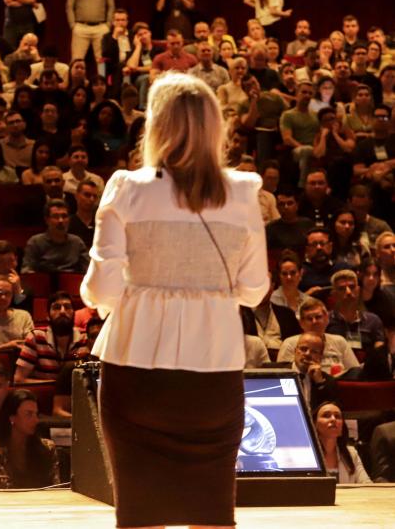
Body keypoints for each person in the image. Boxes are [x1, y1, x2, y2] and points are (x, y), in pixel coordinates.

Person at [82, 72, 269, 528]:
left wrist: (133, 295)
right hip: (214, 367)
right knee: (211, 510)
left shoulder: (128, 187)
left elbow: (100, 290)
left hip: (135, 364)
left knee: (140, 511)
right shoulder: (242, 192)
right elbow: (254, 288)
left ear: (157, 125)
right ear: (215, 127)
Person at [0, 389, 59, 489]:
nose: (36, 420)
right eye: (29, 414)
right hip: (10, 503)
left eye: (36, 414)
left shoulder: (47, 447)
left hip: (45, 502)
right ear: (12, 418)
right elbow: (3, 489)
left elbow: (56, 486)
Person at [16, 291, 91, 383]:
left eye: (67, 307)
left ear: (74, 314)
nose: (62, 311)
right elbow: (19, 379)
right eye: (56, 308)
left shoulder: (85, 337)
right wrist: (55, 386)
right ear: (47, 315)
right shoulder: (36, 337)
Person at [276, 298, 360, 377]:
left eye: (318, 317)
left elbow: (355, 372)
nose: (314, 322)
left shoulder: (339, 341)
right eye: (309, 318)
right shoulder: (290, 344)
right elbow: (282, 375)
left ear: (327, 319)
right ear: (301, 323)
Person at [22, 199, 88, 273]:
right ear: (47, 220)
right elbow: (26, 270)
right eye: (56, 216)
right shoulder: (35, 242)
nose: (61, 220)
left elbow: (88, 271)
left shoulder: (77, 243)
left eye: (64, 216)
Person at [326, 269, 385, 353]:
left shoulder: (373, 320)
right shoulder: (325, 321)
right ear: (334, 294)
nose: (348, 292)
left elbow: (380, 351)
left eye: (352, 287)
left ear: (358, 290)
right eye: (342, 288)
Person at [315, 401, 372, 484]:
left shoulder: (351, 453)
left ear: (342, 427)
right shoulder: (306, 454)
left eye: (337, 416)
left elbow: (367, 485)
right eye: (326, 415)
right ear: (314, 424)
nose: (333, 419)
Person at [65, 0, 115, 65]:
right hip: (81, 27)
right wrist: (73, 25)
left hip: (101, 28)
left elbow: (111, 6)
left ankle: (102, 79)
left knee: (102, 61)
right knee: (76, 60)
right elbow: (69, 6)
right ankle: (75, 79)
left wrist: (108, 25)